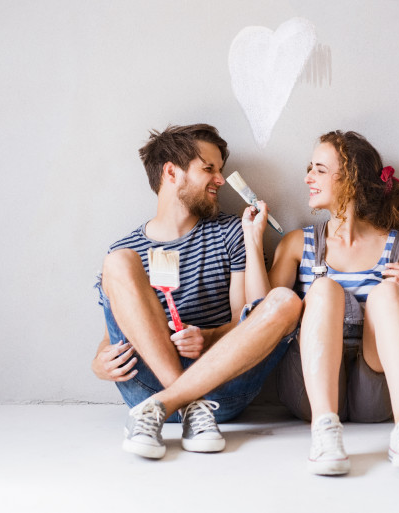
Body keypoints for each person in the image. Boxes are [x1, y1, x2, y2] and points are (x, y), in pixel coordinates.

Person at [93, 123, 300, 459]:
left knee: (285, 301)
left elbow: (248, 319)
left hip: (221, 390)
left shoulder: (232, 232)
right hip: (146, 385)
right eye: (209, 169)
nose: (220, 179)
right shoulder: (126, 249)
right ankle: (188, 403)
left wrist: (208, 335)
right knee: (117, 261)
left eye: (221, 170)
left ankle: (173, 402)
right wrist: (98, 363)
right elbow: (109, 336)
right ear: (171, 173)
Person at [245, 130, 399, 476]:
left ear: (350, 179)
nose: (307, 178)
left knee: (387, 293)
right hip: (309, 390)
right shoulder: (296, 243)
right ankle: (325, 432)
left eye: (318, 169)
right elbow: (261, 319)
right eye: (310, 168)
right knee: (323, 289)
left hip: (375, 395)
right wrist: (253, 244)